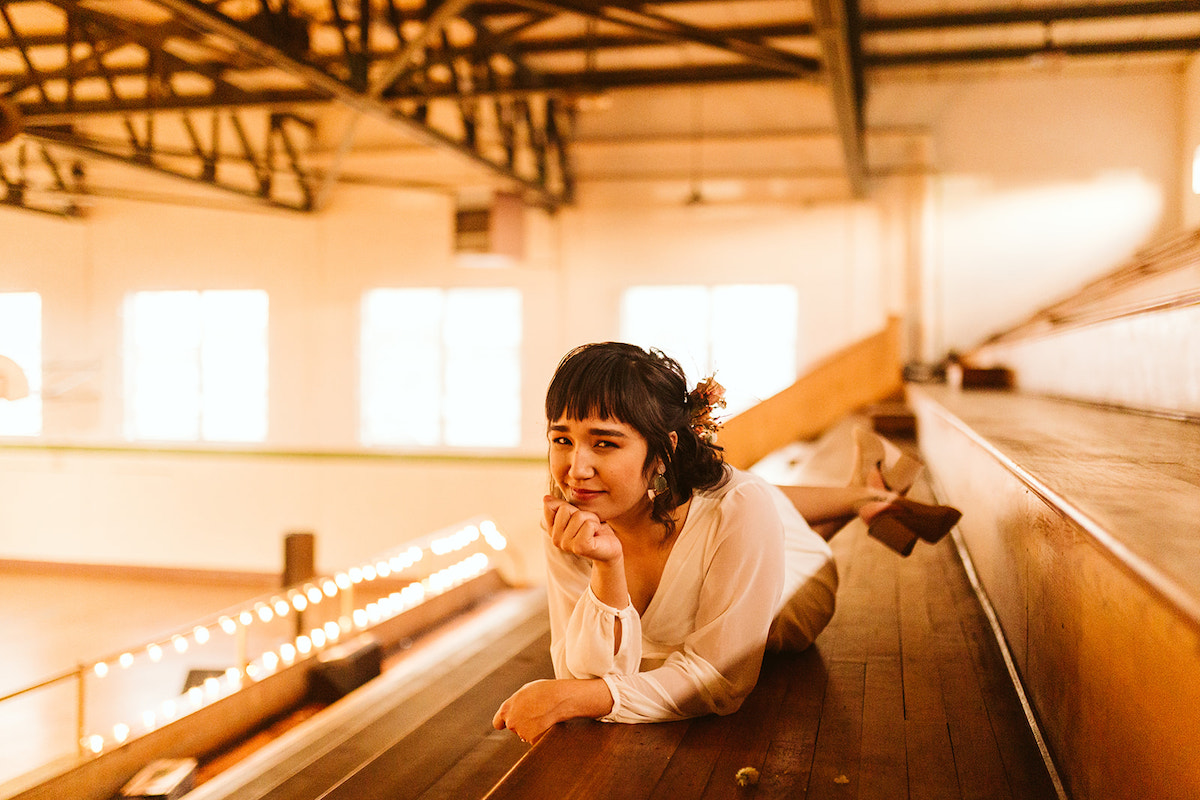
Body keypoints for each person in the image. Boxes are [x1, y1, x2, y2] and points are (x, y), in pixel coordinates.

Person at [492, 342, 960, 744]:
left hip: (795, 591)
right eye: (561, 439)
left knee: (743, 501)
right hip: (725, 513)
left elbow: (721, 682)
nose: (575, 469)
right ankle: (869, 494)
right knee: (734, 498)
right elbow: (582, 677)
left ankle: (868, 494)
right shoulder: (572, 521)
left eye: (605, 444)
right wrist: (607, 568)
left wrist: (583, 696)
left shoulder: (737, 509)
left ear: (664, 449)